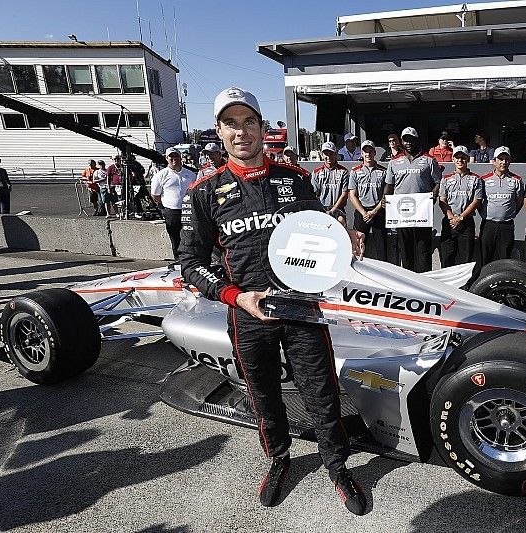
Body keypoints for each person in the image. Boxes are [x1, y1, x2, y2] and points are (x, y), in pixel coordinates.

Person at [178, 86, 367, 515]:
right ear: (219, 132)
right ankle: (279, 459)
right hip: (248, 314)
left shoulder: (294, 177)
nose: (241, 132)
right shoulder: (204, 192)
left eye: (249, 122)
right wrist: (236, 296)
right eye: (231, 124)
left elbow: (320, 228)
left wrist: (345, 234)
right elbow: (189, 262)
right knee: (263, 396)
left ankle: (337, 467)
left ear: (262, 128)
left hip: (302, 307)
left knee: (322, 394)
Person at [385, 127, 441, 272]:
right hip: (402, 213)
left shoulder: (429, 160)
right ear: (401, 141)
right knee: (406, 250)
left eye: (411, 139)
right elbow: (389, 185)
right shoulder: (394, 161)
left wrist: (433, 196)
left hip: (422, 213)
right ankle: (409, 283)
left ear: (416, 140)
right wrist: (385, 199)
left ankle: (425, 282)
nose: (408, 142)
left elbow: (438, 182)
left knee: (423, 249)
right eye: (405, 139)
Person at [478, 146, 524, 266]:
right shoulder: (483, 180)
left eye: (506, 159)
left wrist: (510, 213)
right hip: (488, 225)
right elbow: (478, 202)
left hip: (506, 225)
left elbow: (519, 201)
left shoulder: (517, 180)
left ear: (510, 161)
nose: (503, 162)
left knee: (504, 258)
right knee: (485, 257)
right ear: (494, 161)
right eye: (500, 159)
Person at [438, 146, 483, 267]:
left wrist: (461, 218)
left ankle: (465, 286)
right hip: (449, 222)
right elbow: (442, 200)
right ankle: (445, 285)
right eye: (457, 157)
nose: (460, 160)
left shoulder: (476, 179)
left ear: (467, 159)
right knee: (446, 258)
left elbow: (476, 201)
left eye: (463, 157)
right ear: (453, 159)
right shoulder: (446, 178)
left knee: (465, 260)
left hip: (466, 223)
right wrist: (452, 217)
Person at [151, 147, 196, 260]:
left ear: (180, 157)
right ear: (166, 158)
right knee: (175, 238)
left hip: (188, 210)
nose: (174, 159)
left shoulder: (190, 174)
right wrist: (163, 208)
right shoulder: (160, 175)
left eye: (176, 156)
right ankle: (179, 260)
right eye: (171, 156)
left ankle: (192, 259)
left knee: (191, 237)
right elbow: (155, 195)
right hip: (171, 212)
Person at [348, 140, 387, 261]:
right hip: (361, 212)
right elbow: (352, 195)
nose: (368, 154)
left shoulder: (383, 171)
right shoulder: (355, 171)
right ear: (362, 154)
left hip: (378, 211)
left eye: (370, 152)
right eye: (365, 152)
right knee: (359, 245)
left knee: (382, 248)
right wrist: (364, 213)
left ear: (375, 153)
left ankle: (383, 275)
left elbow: (386, 195)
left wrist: (374, 211)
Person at [312, 142, 349, 220]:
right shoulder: (316, 172)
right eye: (326, 154)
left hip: (338, 209)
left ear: (336, 154)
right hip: (322, 209)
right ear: (322, 155)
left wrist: (333, 210)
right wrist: (321, 209)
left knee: (341, 221)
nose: (328, 156)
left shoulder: (343, 171)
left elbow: (344, 194)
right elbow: (314, 194)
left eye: (331, 153)